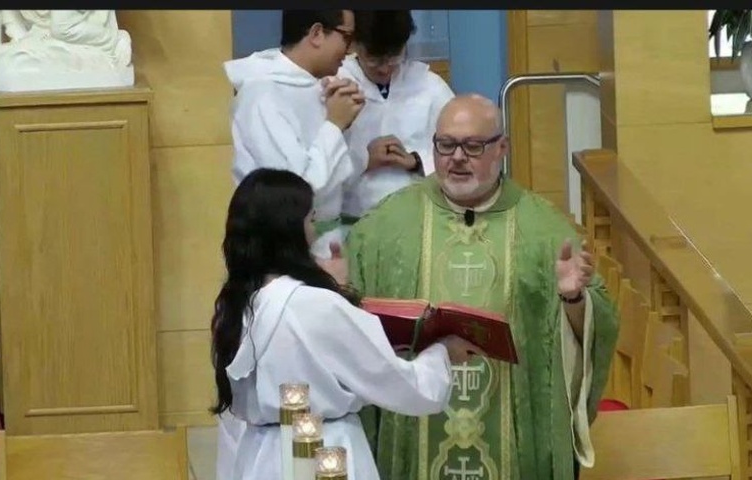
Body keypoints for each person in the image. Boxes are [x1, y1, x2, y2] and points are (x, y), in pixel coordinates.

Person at [346, 95, 620, 479]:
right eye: (446, 145)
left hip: (512, 444)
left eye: (473, 146)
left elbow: (598, 326)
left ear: (502, 148)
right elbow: (351, 323)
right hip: (415, 431)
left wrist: (572, 298)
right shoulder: (383, 228)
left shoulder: (544, 230)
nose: (457, 157)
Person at [211, 168, 481, 480]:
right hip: (324, 451)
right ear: (290, 229)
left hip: (262, 457)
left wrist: (331, 291)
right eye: (311, 220)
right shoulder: (315, 305)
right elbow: (403, 385)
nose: (315, 232)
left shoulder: (235, 303)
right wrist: (442, 353)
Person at [224, 10, 366, 260]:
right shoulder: (262, 95)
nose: (351, 49)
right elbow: (296, 190)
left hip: (328, 241)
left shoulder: (319, 86)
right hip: (282, 251)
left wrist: (348, 123)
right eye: (347, 37)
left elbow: (341, 178)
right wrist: (334, 124)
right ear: (317, 33)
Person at [337, 10, 455, 225]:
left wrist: (417, 162)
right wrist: (364, 160)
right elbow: (319, 166)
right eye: (374, 59)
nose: (384, 69)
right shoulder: (337, 84)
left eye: (393, 57)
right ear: (354, 45)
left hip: (418, 219)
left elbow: (458, 148)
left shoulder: (429, 86)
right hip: (352, 218)